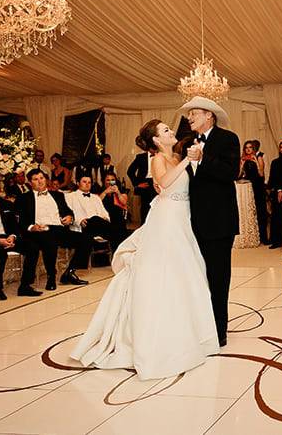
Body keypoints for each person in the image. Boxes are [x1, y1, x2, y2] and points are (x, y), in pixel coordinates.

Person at [71, 120, 219, 379]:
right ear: (155, 141)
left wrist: (191, 160)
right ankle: (156, 336)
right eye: (165, 131)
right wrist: (186, 162)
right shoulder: (158, 160)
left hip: (182, 217)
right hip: (167, 219)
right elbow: (163, 182)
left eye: (169, 129)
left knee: (187, 273)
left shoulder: (174, 155)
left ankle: (190, 332)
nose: (171, 132)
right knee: (165, 272)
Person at [180, 96, 240, 347]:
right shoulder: (186, 143)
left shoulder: (228, 139)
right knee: (195, 279)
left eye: (194, 113)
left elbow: (230, 173)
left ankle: (218, 331)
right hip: (191, 223)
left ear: (209, 116)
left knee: (217, 278)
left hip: (218, 223)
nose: (189, 117)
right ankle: (198, 326)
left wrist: (204, 158)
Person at [16, 169, 91, 296]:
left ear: (46, 179)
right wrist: (31, 227)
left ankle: (69, 272)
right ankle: (51, 276)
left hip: (59, 229)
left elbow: (68, 211)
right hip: (39, 231)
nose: (39, 181)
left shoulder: (58, 195)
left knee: (86, 239)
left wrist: (69, 218)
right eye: (35, 179)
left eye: (41, 178)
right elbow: (20, 221)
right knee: (49, 240)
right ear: (30, 183)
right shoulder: (24, 198)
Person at [67, 176, 122, 262]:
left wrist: (105, 219)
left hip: (99, 225)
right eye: (84, 182)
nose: (87, 184)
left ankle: (117, 259)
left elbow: (104, 213)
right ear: (78, 183)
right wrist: (79, 220)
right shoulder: (70, 196)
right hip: (84, 226)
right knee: (115, 230)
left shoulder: (95, 197)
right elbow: (68, 213)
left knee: (110, 226)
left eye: (89, 182)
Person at [239, 140, 269, 244]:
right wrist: (242, 164)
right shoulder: (243, 159)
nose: (248, 149)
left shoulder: (259, 156)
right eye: (246, 147)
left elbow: (261, 174)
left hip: (258, 186)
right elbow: (238, 175)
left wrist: (255, 161)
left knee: (261, 211)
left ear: (253, 148)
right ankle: (254, 236)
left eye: (250, 147)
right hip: (248, 188)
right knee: (251, 212)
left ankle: (264, 238)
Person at [267, 141, 282, 248]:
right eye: (281, 147)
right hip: (278, 193)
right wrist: (278, 190)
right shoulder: (275, 162)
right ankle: (276, 241)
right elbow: (273, 178)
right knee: (276, 216)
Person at [100, 171, 129, 253]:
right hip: (105, 218)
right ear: (104, 181)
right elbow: (96, 202)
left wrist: (118, 192)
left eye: (112, 180)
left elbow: (124, 202)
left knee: (119, 222)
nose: (110, 182)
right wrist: (105, 192)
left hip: (118, 219)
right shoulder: (100, 190)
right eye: (108, 180)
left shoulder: (120, 190)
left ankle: (120, 251)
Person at [127, 148, 157, 225]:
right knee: (145, 207)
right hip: (146, 184)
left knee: (157, 207)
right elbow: (130, 171)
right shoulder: (140, 157)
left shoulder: (161, 156)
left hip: (158, 183)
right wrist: (137, 184)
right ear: (149, 148)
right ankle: (143, 227)